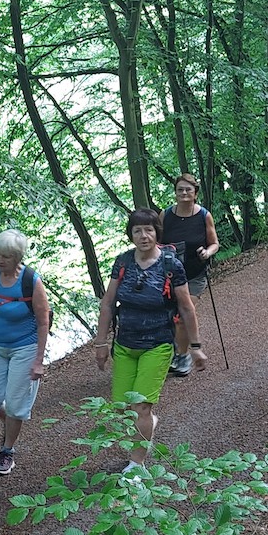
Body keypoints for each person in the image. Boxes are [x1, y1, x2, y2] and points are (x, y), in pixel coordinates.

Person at [92, 209, 207, 478]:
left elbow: (187, 308)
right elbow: (108, 304)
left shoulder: (170, 265)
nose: (144, 236)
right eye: (137, 231)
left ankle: (136, 465)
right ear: (130, 235)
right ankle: (148, 426)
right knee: (121, 409)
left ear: (157, 233)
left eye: (149, 230)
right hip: (125, 344)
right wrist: (100, 343)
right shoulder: (122, 263)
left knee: (141, 406)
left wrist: (195, 347)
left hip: (157, 344)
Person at [0, 229, 50, 476]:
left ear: (18, 258)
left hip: (25, 347)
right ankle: (11, 424)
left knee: (16, 405)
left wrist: (38, 360)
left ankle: (7, 451)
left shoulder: (31, 281)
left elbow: (43, 321)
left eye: (5, 257)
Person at [160, 174, 219, 374]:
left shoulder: (204, 215)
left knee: (183, 315)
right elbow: (156, 243)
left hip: (194, 274)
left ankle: (183, 357)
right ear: (175, 193)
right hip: (169, 276)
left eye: (188, 190)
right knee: (170, 316)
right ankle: (174, 351)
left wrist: (207, 252)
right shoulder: (165, 215)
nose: (184, 193)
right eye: (180, 190)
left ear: (195, 193)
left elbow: (214, 243)